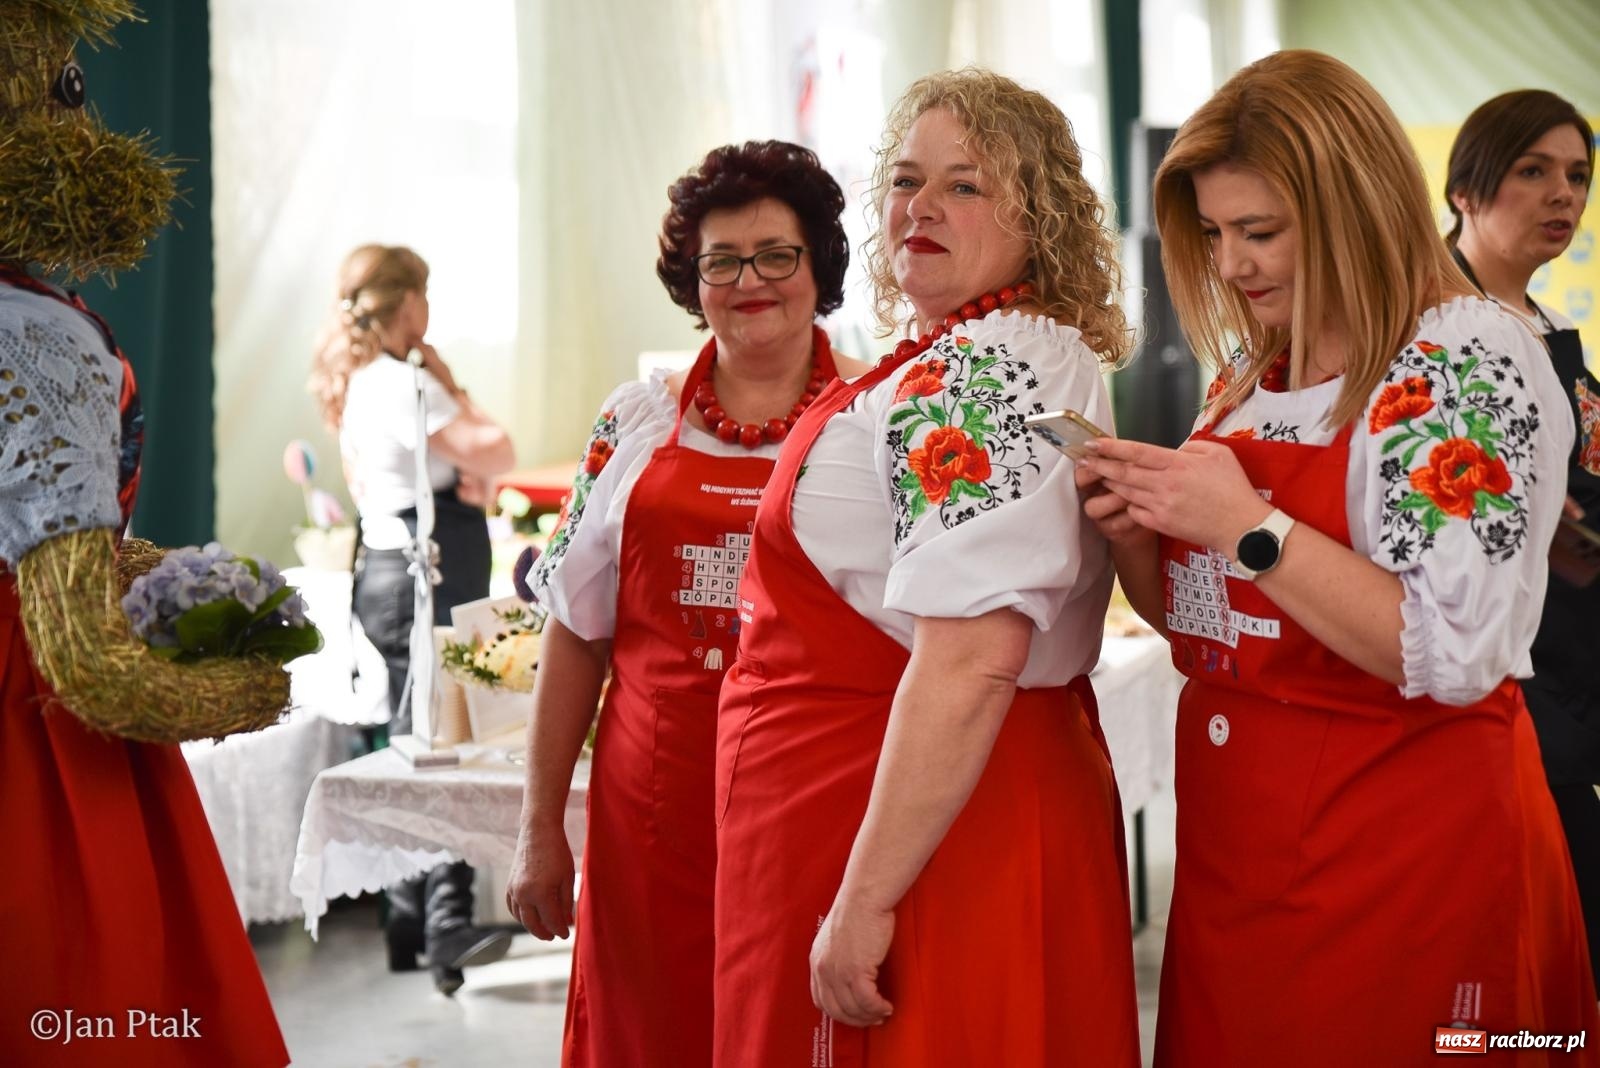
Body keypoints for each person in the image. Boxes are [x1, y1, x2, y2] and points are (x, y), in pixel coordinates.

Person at [1075, 51, 1598, 1065]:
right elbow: (1207, 618)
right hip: (1240, 855)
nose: (1231, 266)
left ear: (1355, 206)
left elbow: (1455, 654)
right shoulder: (1247, 366)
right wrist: (1138, 530)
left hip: (1401, 849)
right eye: (1216, 234)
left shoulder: (1461, 361)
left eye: (1259, 232)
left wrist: (1247, 527)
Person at [712, 71, 1140, 1066]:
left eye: (967, 186)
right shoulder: (938, 353)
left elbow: (971, 659)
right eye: (908, 180)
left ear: (1043, 219)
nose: (923, 207)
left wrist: (865, 900)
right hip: (860, 799)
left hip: (929, 822)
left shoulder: (991, 365)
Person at [504, 140, 866, 1066]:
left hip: (820, 800)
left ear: (817, 266)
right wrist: (539, 826)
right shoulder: (634, 422)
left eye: (777, 255)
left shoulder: (877, 422)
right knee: (649, 1026)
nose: (751, 281)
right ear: (691, 279)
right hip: (651, 804)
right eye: (722, 261)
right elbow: (578, 633)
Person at [0, 2, 287, 1063]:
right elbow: (79, 653)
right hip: (35, 750)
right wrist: (245, 680)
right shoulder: (39, 333)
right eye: (67, 94)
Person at [310, 244, 516, 995]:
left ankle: (406, 915)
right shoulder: (404, 382)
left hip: (392, 568)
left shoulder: (367, 383)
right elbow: (499, 450)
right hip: (425, 571)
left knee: (411, 738)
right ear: (409, 305)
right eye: (425, 294)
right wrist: (451, 381)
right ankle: (446, 924)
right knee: (440, 743)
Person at [1445, 89, 1599, 985]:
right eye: (1532, 171)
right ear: (1467, 187)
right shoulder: (1443, 333)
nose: (1562, 197)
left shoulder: (1539, 326)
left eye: (1576, 176)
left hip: (1569, 666)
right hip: (1502, 692)